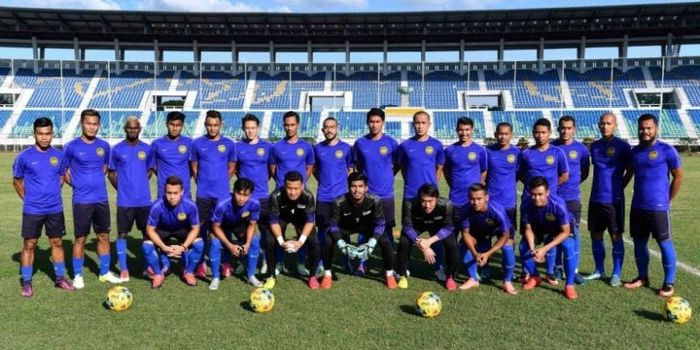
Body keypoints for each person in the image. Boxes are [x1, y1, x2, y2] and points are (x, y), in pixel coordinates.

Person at [13, 117, 76, 297]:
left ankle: (60, 278)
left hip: (54, 208)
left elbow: (61, 176)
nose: (44, 138)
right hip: (33, 209)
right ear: (34, 134)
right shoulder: (24, 157)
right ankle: (26, 282)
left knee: (56, 242)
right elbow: (17, 181)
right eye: (40, 134)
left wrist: (52, 193)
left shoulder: (59, 155)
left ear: (52, 134)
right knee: (30, 244)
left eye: (47, 134)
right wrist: (29, 199)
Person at [623, 114, 683, 297]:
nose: (645, 131)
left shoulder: (667, 150)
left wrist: (668, 199)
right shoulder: (634, 152)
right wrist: (618, 189)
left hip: (658, 207)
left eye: (648, 128)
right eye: (642, 128)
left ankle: (668, 282)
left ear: (656, 128)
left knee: (664, 243)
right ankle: (642, 277)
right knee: (639, 243)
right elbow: (629, 174)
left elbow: (678, 176)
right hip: (638, 206)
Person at [64, 109, 122, 289]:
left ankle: (104, 272)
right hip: (81, 200)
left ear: (99, 125)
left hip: (101, 199)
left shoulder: (104, 146)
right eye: (88, 123)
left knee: (103, 236)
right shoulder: (71, 146)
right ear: (82, 124)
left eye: (95, 124)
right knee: (80, 238)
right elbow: (63, 171)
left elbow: (105, 168)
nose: (91, 127)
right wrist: (78, 185)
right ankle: (78, 275)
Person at [583, 113, 632, 287]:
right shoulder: (594, 146)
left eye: (609, 123)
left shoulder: (623, 146)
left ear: (615, 125)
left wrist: (619, 187)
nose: (605, 126)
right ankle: (598, 269)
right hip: (596, 198)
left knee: (615, 235)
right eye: (602, 123)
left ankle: (616, 273)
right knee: (595, 234)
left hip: (614, 199)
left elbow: (630, 170)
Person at [518, 118, 569, 283]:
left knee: (550, 238)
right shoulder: (526, 154)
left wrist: (548, 192)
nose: (540, 135)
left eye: (543, 132)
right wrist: (533, 192)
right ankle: (528, 272)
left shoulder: (557, 153)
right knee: (527, 238)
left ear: (549, 133)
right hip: (529, 203)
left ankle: (550, 272)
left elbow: (564, 175)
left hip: (549, 205)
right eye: (537, 132)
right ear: (533, 134)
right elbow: (521, 174)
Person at [321, 172, 394, 289]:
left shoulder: (375, 200)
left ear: (366, 188)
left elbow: (380, 224)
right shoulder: (339, 202)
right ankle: (327, 274)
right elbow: (333, 225)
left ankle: (389, 274)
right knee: (328, 238)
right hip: (346, 227)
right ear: (348, 187)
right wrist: (341, 243)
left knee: (385, 240)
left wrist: (372, 242)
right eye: (353, 186)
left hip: (366, 227)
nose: (357, 190)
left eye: (360, 186)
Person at [351, 108, 400, 275]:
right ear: (367, 123)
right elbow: (356, 166)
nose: (374, 125)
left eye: (377, 122)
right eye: (371, 121)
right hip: (366, 196)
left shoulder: (392, 143)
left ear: (383, 123)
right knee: (364, 230)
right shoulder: (360, 143)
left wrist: (388, 177)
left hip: (386, 195)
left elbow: (397, 164)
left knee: (387, 231)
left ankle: (390, 265)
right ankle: (362, 263)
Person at [397, 111, 446, 280]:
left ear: (429, 124)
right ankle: (405, 266)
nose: (420, 126)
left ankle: (439, 267)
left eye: (423, 122)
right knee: (408, 233)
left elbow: (439, 167)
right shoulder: (405, 146)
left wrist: (432, 186)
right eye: (417, 123)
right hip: (410, 196)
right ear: (413, 124)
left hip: (431, 199)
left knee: (437, 231)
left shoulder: (437, 145)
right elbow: (402, 166)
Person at [107, 116, 155, 281]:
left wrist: (140, 183)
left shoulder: (147, 149)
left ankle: (147, 266)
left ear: (139, 129)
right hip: (125, 201)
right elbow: (111, 172)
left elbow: (149, 169)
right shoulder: (117, 149)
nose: (132, 130)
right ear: (125, 129)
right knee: (122, 234)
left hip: (144, 200)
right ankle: (124, 269)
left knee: (147, 234)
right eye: (129, 127)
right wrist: (122, 187)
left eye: (135, 128)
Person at [191, 110, 236, 279]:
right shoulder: (197, 144)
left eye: (215, 125)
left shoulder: (229, 144)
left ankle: (226, 263)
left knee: (224, 228)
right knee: (200, 229)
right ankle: (201, 263)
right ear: (205, 125)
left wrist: (223, 181)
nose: (212, 128)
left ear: (221, 125)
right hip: (203, 194)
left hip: (222, 195)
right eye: (209, 125)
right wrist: (201, 181)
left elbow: (232, 166)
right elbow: (194, 166)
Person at [268, 111, 315, 276]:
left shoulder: (306, 147)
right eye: (286, 125)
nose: (289, 128)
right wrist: (283, 185)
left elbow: (310, 168)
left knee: (302, 231)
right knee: (277, 230)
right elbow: (273, 169)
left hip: (299, 197)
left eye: (292, 124)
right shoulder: (276, 147)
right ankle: (279, 262)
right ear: (283, 125)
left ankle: (301, 263)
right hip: (281, 198)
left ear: (298, 125)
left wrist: (299, 187)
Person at [519, 177, 578, 300]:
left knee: (567, 246)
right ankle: (535, 276)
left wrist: (544, 249)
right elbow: (528, 229)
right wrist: (532, 249)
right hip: (539, 228)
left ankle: (569, 285)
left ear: (548, 192)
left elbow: (566, 232)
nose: (536, 198)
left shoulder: (558, 205)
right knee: (523, 246)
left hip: (559, 230)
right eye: (533, 194)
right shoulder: (526, 204)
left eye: (540, 194)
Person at [444, 116, 487, 280]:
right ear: (457, 130)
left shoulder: (479, 150)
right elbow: (446, 172)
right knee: (452, 238)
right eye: (461, 130)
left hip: (473, 204)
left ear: (472, 130)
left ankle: (474, 269)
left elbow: (483, 171)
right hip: (455, 201)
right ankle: (451, 271)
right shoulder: (449, 151)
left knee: (473, 237)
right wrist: (454, 186)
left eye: (467, 130)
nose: (464, 133)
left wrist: (477, 191)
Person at [143, 176, 204, 288]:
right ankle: (158, 274)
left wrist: (184, 247)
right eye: (169, 193)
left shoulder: (190, 205)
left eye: (175, 193)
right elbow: (150, 230)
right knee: (146, 246)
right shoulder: (157, 206)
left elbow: (195, 228)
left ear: (182, 192)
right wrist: (163, 246)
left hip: (182, 229)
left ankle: (189, 272)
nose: (172, 197)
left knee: (199, 244)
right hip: (162, 230)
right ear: (165, 192)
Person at [264, 171, 321, 289]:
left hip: (301, 219)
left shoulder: (308, 196)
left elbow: (310, 221)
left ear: (302, 186)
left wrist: (300, 242)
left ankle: (312, 276)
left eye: (296, 188)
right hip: (281, 218)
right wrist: (281, 242)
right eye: (289, 188)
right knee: (270, 241)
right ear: (284, 186)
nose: (292, 192)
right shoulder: (275, 196)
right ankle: (271, 276)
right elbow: (273, 221)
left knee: (314, 242)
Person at [396, 184, 458, 291]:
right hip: (417, 226)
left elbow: (448, 228)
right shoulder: (409, 203)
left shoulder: (447, 204)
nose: (427, 205)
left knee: (452, 244)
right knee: (404, 241)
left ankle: (450, 276)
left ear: (437, 199)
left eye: (430, 201)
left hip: (437, 226)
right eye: (423, 201)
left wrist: (429, 241)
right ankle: (402, 274)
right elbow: (407, 227)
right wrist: (423, 246)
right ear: (419, 198)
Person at [552, 115, 590, 284]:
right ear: (558, 128)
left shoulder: (581, 149)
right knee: (556, 233)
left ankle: (573, 270)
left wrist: (572, 185)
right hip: (554, 198)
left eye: (568, 128)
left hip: (572, 198)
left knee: (574, 234)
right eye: (562, 127)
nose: (565, 131)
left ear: (574, 129)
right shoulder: (552, 147)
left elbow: (585, 171)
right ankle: (558, 268)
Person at [459, 184, 516, 295]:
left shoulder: (497, 210)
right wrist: (475, 253)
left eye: (479, 199)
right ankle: (473, 278)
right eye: (472, 199)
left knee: (508, 249)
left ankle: (507, 281)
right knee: (463, 245)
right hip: (479, 232)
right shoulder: (465, 210)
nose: (475, 203)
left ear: (487, 198)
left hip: (501, 232)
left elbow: (505, 235)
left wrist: (488, 254)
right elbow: (465, 233)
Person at [313, 117, 353, 273]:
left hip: (342, 198)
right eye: (326, 127)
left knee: (344, 232)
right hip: (323, 197)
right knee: (322, 232)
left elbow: (350, 169)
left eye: (332, 127)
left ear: (338, 128)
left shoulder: (346, 148)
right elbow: (314, 169)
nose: (329, 130)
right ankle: (322, 262)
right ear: (322, 130)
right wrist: (324, 181)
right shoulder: (317, 149)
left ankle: (346, 261)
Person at [235, 113, 273, 275]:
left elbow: (271, 171)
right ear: (243, 129)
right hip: (245, 198)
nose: (250, 131)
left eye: (252, 128)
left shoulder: (267, 147)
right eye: (247, 128)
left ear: (257, 128)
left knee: (265, 231)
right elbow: (235, 168)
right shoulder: (237, 147)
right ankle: (243, 260)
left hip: (263, 197)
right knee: (243, 231)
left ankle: (265, 260)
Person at [209, 178, 263, 290]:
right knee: (214, 243)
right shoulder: (222, 203)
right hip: (221, 226)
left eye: (246, 195)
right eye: (239, 194)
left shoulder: (255, 204)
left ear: (250, 195)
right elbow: (215, 226)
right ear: (234, 191)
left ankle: (251, 275)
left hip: (239, 224)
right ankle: (215, 277)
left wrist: (247, 244)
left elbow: (252, 225)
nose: (242, 198)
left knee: (255, 240)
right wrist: (230, 246)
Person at [485, 122, 520, 283]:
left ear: (511, 135)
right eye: (500, 133)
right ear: (495, 134)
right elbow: (484, 174)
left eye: (506, 134)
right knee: (486, 236)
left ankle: (508, 269)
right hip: (491, 204)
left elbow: (520, 174)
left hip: (509, 204)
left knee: (509, 239)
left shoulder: (517, 153)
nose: (502, 137)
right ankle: (485, 267)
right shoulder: (488, 152)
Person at [151, 111, 193, 199]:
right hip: (164, 190)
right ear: (166, 124)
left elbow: (193, 165)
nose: (175, 128)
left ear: (182, 126)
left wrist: (185, 176)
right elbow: (153, 165)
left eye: (178, 125)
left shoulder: (189, 143)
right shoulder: (157, 144)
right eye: (172, 124)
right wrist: (163, 174)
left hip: (183, 190)